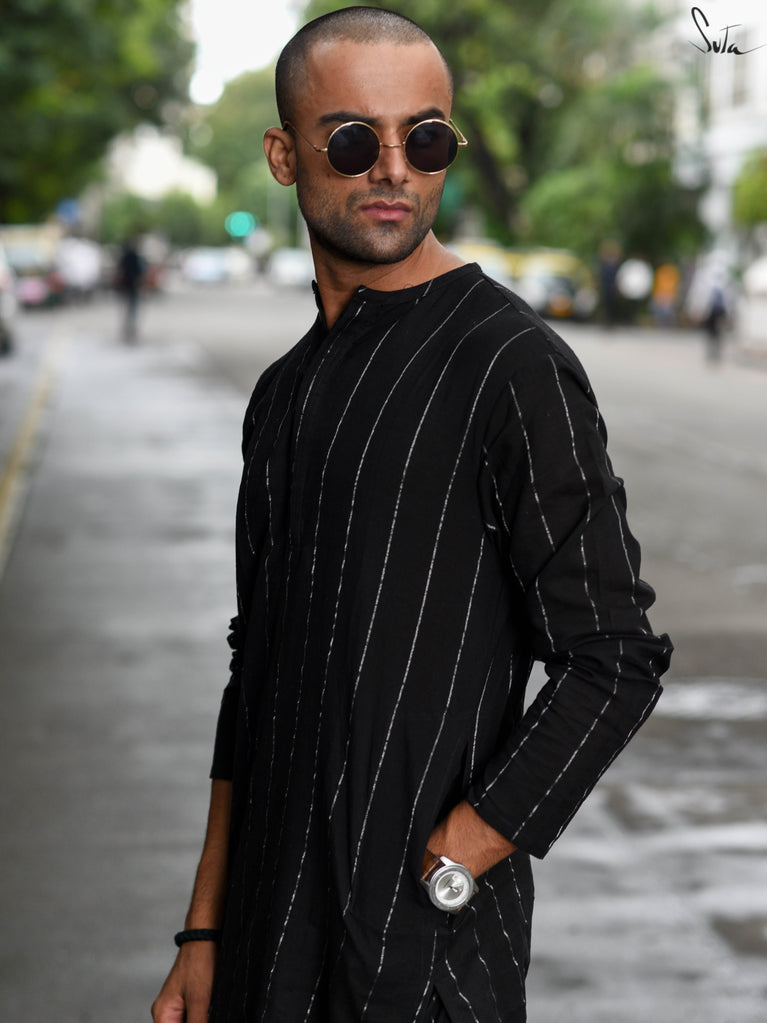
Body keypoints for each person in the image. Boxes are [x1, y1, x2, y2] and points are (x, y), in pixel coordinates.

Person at [152, 8, 672, 1022]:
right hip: (264, 946)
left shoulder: (510, 364)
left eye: (424, 138)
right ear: (283, 154)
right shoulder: (283, 391)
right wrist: (203, 930)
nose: (392, 168)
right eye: (353, 140)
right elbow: (252, 668)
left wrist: (455, 857)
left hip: (426, 968)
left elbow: (613, 657)